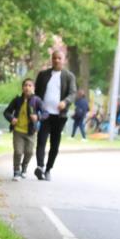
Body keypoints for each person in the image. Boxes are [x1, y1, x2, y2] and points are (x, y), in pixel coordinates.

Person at [33, 41, 77, 181]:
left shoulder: (69, 76)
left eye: (59, 58)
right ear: (51, 60)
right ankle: (40, 167)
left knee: (54, 145)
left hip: (59, 117)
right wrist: (35, 109)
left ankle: (48, 169)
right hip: (45, 114)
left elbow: (73, 93)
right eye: (54, 58)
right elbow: (36, 93)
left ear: (64, 60)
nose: (56, 60)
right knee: (41, 141)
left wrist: (65, 102)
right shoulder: (43, 75)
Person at [3, 79, 42, 180]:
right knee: (18, 152)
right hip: (18, 131)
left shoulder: (37, 100)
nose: (27, 87)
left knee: (29, 152)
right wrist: (12, 119)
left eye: (30, 85)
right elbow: (6, 112)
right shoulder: (17, 100)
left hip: (31, 132)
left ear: (33, 88)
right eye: (25, 85)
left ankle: (24, 167)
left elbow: (45, 113)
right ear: (22, 88)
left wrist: (38, 117)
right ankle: (16, 172)